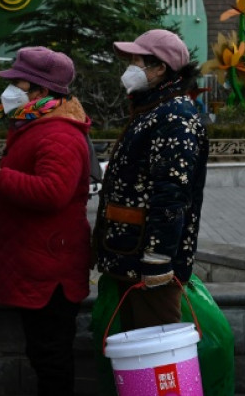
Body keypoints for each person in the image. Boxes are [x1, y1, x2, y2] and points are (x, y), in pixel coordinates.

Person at [0, 47, 91, 396]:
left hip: (51, 268)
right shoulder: (36, 124)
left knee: (51, 357)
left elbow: (54, 192)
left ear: (39, 91)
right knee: (43, 354)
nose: (8, 90)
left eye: (17, 83)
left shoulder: (59, 133)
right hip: (40, 261)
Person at [93, 29, 209, 332]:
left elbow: (171, 192)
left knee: (157, 353)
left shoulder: (175, 116)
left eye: (136, 60)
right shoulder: (153, 108)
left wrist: (158, 258)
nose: (130, 68)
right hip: (130, 254)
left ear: (160, 68)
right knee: (138, 351)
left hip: (148, 263)